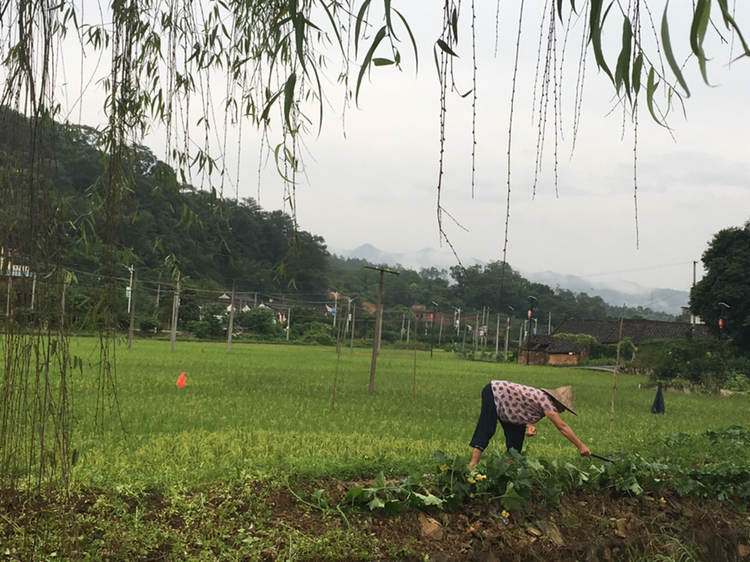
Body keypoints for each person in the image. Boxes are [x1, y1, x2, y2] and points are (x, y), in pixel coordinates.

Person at [469, 380, 591, 468]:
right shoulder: (547, 404)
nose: (563, 410)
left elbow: (521, 408)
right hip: (494, 391)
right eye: (564, 407)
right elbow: (562, 426)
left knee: (516, 439)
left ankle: (509, 470)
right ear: (557, 401)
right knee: (487, 427)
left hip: (509, 406)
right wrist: (581, 446)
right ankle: (473, 465)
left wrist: (528, 425)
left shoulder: (542, 401)